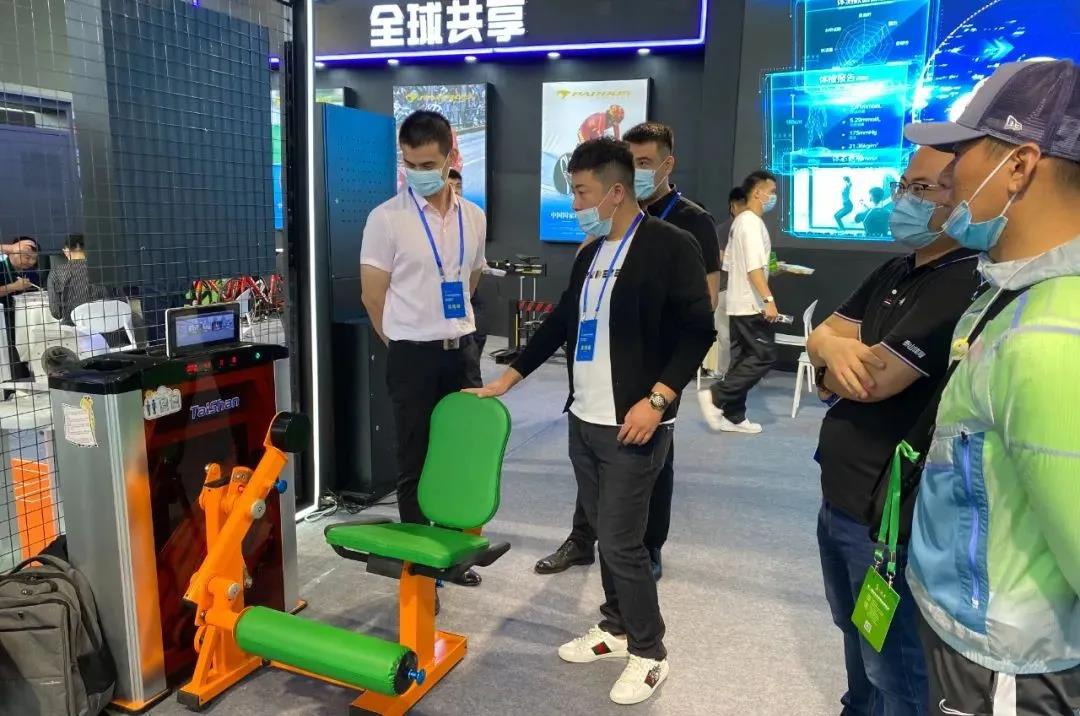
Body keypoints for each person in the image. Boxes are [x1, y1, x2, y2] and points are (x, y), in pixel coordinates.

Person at [468, 138, 714, 705]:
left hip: (636, 420)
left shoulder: (669, 245)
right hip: (585, 417)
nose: (575, 203)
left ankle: (650, 652)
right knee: (605, 533)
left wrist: (658, 399)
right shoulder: (591, 252)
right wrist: (509, 377)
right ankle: (615, 627)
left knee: (624, 543)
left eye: (581, 192)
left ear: (616, 192)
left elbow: (698, 329)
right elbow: (561, 321)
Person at [902, 59, 1080, 715]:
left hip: (1007, 662)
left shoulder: (1049, 335)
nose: (946, 177)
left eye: (961, 152)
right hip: (972, 637)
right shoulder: (1012, 296)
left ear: (1019, 165)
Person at [807, 147, 981, 716]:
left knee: (895, 665)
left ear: (962, 199)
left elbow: (873, 382)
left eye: (922, 188)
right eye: (903, 185)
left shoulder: (965, 279)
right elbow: (822, 335)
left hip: (891, 515)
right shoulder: (895, 270)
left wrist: (832, 356)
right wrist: (832, 350)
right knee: (853, 632)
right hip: (841, 496)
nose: (904, 199)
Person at [533, 122, 721, 581]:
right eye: (630, 161)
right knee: (594, 464)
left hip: (653, 377)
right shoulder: (601, 231)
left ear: (666, 164)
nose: (637, 171)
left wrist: (661, 390)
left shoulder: (688, 224)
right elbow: (575, 307)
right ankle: (585, 539)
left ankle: (646, 549)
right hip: (597, 378)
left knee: (650, 471)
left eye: (644, 163)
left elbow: (704, 307)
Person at [360, 110, 487, 587]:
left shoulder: (473, 216)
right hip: (412, 355)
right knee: (414, 459)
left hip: (463, 353)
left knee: (461, 457)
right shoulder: (386, 219)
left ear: (451, 156)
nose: (418, 173)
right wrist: (402, 341)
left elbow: (471, 278)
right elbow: (372, 295)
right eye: (409, 164)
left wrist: (451, 328)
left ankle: (452, 554)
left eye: (428, 164)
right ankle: (421, 570)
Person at [698, 170, 780, 434]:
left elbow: (730, 264)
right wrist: (768, 299)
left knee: (742, 358)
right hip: (750, 305)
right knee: (763, 356)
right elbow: (753, 268)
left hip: (737, 302)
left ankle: (734, 415)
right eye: (772, 192)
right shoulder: (751, 224)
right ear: (757, 192)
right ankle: (715, 395)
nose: (774, 197)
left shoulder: (740, 223)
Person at [448, 168, 487, 388]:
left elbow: (476, 266)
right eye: (450, 185)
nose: (455, 191)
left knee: (476, 336)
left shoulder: (473, 216)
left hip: (464, 295)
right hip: (436, 300)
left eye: (458, 186)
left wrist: (466, 295)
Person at [714, 187, 748, 378]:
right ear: (733, 207)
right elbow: (721, 260)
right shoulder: (727, 230)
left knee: (726, 335)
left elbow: (719, 261)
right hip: (731, 289)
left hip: (730, 290)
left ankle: (724, 372)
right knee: (731, 334)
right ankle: (731, 372)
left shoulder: (725, 229)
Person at [47, 233, 108, 325]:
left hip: (73, 328)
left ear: (76, 246)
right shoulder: (106, 269)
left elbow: (56, 313)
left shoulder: (56, 272)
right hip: (106, 325)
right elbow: (121, 303)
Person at [0, 237, 38, 378]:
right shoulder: (1, 266)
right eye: (27, 257)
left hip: (19, 320)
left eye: (34, 259)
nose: (30, 262)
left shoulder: (31, 273)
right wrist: (13, 287)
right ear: (13, 251)